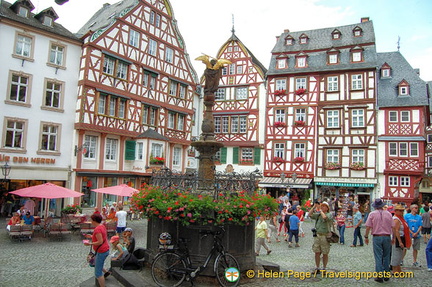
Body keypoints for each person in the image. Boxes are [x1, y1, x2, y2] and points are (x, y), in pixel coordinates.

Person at [364, 198, 394, 283]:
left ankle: (379, 275)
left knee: (378, 256)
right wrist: (394, 237)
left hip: (377, 236)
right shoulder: (388, 214)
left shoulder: (372, 214)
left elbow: (368, 227)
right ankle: (386, 274)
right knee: (386, 255)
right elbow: (393, 226)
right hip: (387, 236)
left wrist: (366, 237)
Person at [84, 214, 110, 287]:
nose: (91, 221)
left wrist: (89, 243)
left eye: (91, 220)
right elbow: (101, 237)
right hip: (104, 249)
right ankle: (107, 272)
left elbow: (100, 241)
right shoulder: (102, 226)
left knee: (98, 273)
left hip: (102, 251)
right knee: (97, 264)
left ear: (94, 221)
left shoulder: (97, 229)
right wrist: (92, 236)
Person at [308, 201, 333, 273]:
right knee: (317, 252)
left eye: (324, 206)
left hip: (325, 236)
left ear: (327, 208)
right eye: (322, 206)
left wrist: (321, 211)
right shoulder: (318, 215)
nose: (322, 207)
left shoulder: (329, 214)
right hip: (317, 235)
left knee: (325, 252)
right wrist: (314, 207)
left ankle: (324, 268)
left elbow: (325, 217)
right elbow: (309, 214)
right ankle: (317, 267)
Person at [391, 204, 412, 274]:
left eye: (403, 210)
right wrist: (400, 241)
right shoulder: (396, 219)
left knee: (400, 254)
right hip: (397, 238)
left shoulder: (401, 218)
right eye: (400, 211)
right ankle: (394, 270)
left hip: (401, 237)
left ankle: (398, 269)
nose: (402, 212)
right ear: (396, 211)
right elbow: (396, 230)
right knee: (396, 254)